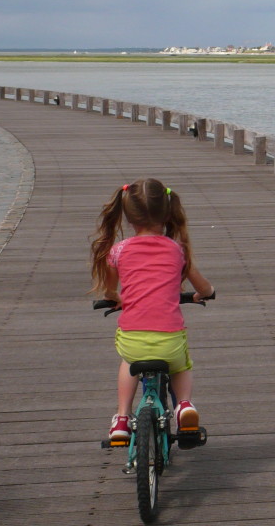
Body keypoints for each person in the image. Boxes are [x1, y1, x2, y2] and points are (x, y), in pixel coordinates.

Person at [89, 178, 216, 445]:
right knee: (181, 366)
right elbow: (203, 287)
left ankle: (122, 419)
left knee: (128, 362)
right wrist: (205, 293)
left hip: (133, 338)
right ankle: (184, 406)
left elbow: (111, 291)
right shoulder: (177, 250)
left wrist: (117, 298)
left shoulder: (118, 251)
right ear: (168, 213)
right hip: (170, 339)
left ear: (128, 217)